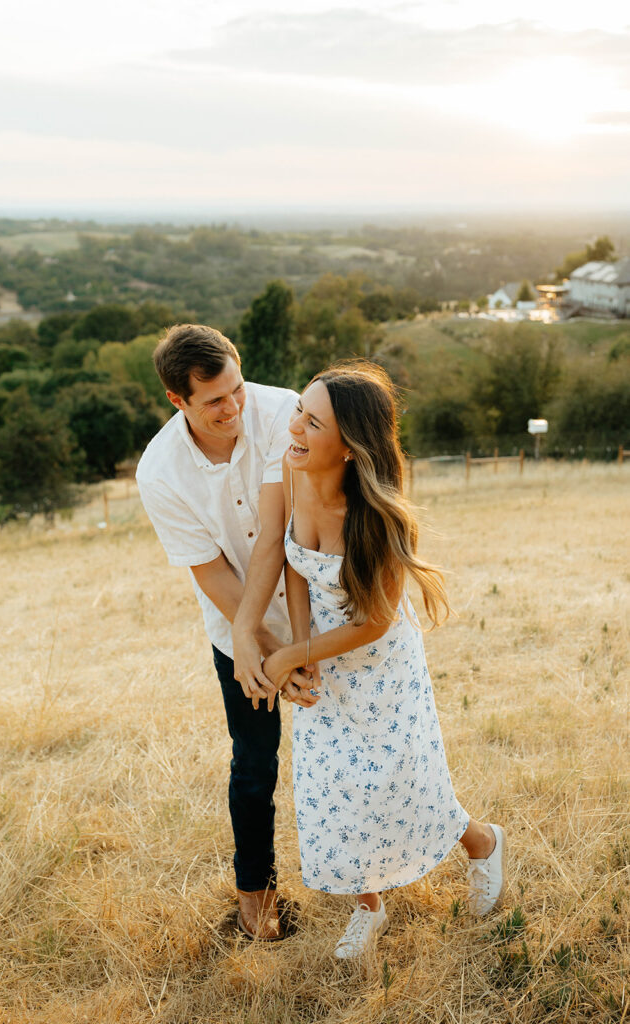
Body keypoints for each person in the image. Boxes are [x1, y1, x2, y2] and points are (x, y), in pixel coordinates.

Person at [240, 362, 507, 959]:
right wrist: (304, 658)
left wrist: (287, 653)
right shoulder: (293, 468)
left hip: (381, 665)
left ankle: (482, 842)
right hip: (322, 658)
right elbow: (295, 567)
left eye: (313, 422)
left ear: (351, 447)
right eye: (298, 414)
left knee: (400, 782)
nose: (295, 429)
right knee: (333, 790)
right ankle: (369, 906)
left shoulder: (379, 519)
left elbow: (376, 622)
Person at [136, 323, 313, 941]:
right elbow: (208, 568)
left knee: (347, 746)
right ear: (176, 401)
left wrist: (297, 648)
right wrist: (261, 647)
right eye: (214, 400)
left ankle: (366, 877)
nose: (234, 408)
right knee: (255, 762)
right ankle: (255, 894)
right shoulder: (159, 471)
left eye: (236, 389)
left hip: (320, 617)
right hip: (234, 633)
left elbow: (285, 537)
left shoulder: (286, 411)